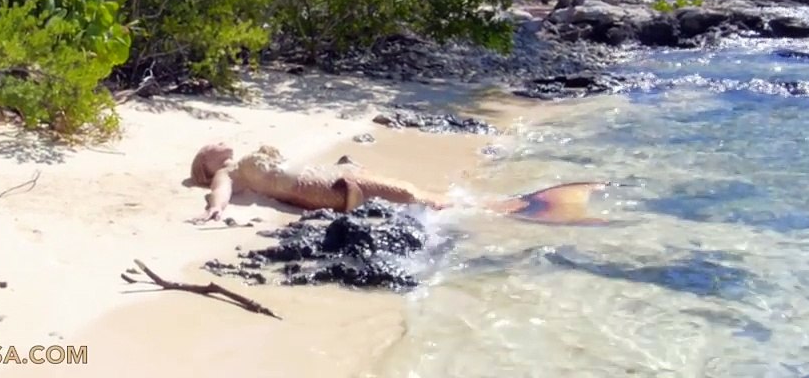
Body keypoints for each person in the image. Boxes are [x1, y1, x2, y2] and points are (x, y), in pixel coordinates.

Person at [188, 142, 612, 225]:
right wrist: (215, 208)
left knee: (423, 195)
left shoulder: (255, 159)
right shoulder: (234, 172)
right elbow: (220, 191)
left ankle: (528, 206)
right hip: (338, 190)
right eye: (209, 150)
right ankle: (529, 210)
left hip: (342, 179)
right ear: (208, 165)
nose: (217, 144)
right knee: (417, 197)